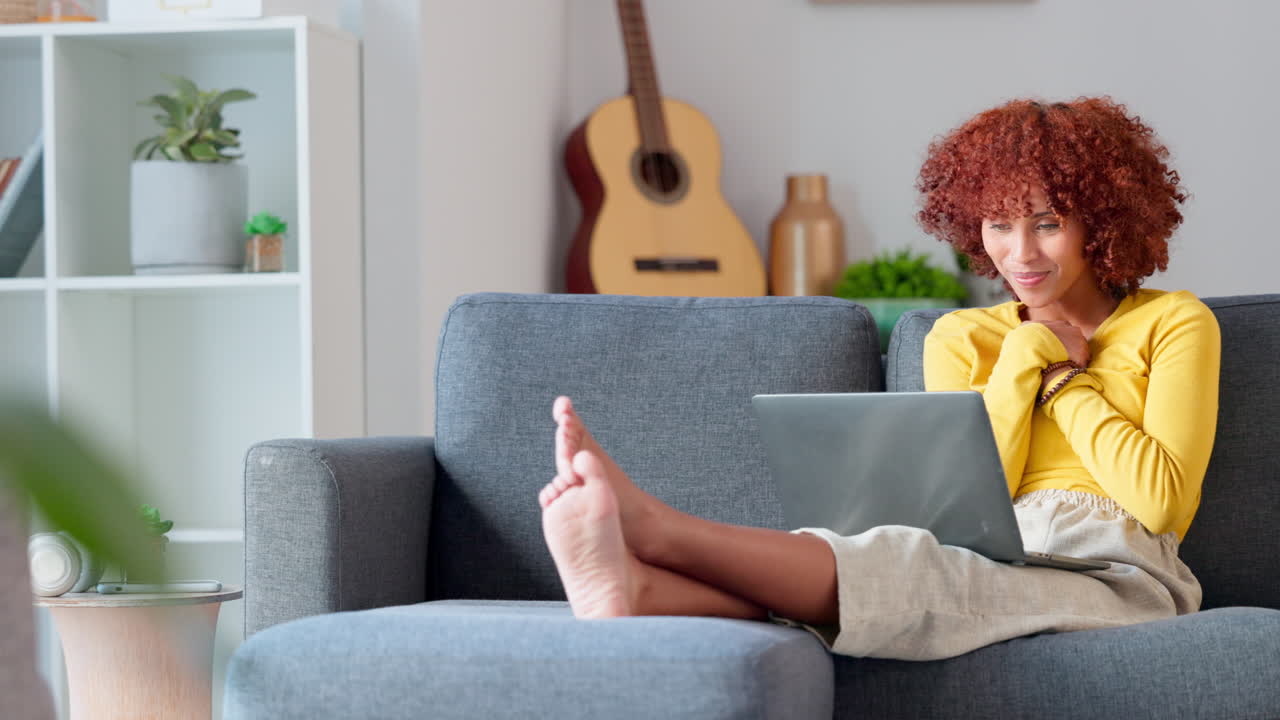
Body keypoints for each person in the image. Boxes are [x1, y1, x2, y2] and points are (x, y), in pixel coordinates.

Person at [537, 96, 1221, 661]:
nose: (1020, 254)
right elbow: (969, 500)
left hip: (1118, 572)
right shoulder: (962, 337)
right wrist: (1022, 358)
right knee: (907, 559)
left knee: (913, 568)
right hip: (990, 554)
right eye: (998, 225)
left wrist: (1065, 380)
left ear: (1101, 223)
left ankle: (661, 532)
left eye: (1047, 224)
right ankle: (641, 592)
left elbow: (1159, 503)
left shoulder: (1174, 322)